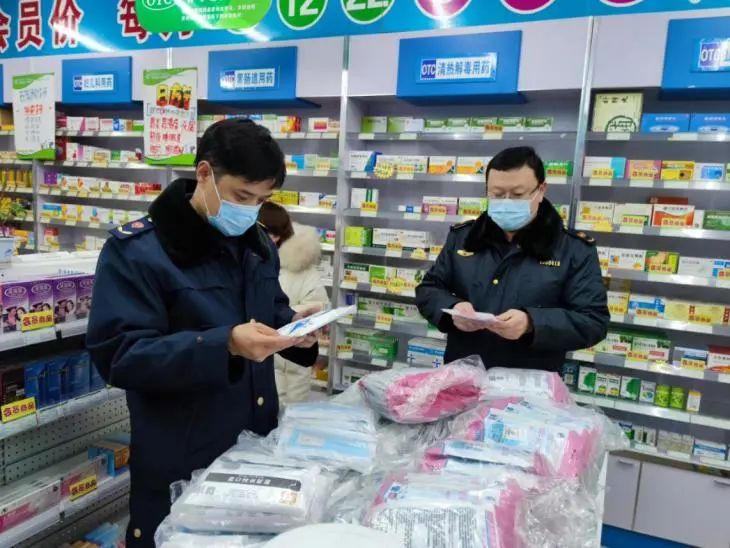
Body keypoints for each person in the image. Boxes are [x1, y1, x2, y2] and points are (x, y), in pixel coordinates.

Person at [86, 119, 319, 547]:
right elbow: (120, 355)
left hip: (255, 448)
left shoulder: (256, 243)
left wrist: (296, 328)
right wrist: (225, 344)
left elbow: (269, 308)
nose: (250, 211)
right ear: (205, 173)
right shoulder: (138, 252)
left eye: (262, 200)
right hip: (181, 457)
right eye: (242, 196)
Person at [415, 146, 608, 372]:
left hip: (531, 382)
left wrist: (531, 323)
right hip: (463, 377)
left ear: (541, 190)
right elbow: (429, 289)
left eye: (517, 194)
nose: (506, 202)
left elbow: (593, 321)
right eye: (497, 194)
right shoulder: (464, 238)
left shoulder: (573, 249)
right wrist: (453, 309)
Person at [258, 201, 329, 404]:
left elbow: (318, 304)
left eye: (277, 235)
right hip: (271, 351)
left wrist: (293, 315)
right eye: (269, 233)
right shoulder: (259, 265)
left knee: (291, 407)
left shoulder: (301, 269)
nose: (273, 240)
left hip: (293, 350)